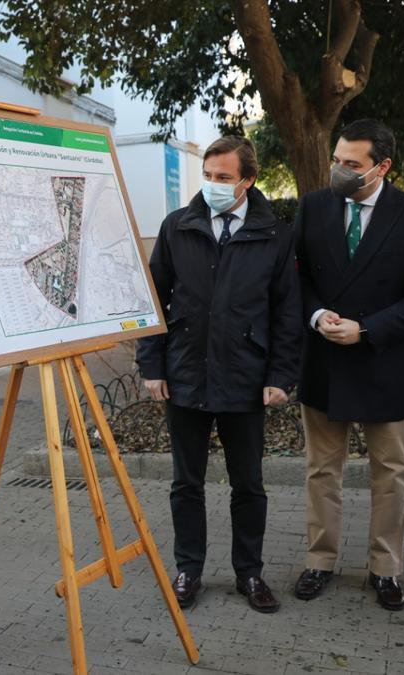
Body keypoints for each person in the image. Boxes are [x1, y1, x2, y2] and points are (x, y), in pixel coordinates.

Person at [136, 136, 302, 613]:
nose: (212, 184)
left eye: (224, 177)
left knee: (248, 485)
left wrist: (280, 376)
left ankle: (249, 573)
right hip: (185, 373)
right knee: (185, 484)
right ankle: (188, 569)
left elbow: (287, 312)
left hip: (246, 378)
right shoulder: (177, 227)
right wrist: (152, 365)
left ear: (248, 180)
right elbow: (152, 300)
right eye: (208, 175)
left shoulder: (274, 234)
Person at [292, 119, 404, 611]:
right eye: (337, 160)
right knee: (321, 471)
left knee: (391, 473)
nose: (339, 170)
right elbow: (293, 278)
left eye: (352, 164)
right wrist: (317, 315)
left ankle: (385, 569)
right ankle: (320, 560)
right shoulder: (314, 206)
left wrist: (367, 328)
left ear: (382, 167)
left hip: (383, 360)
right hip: (324, 361)